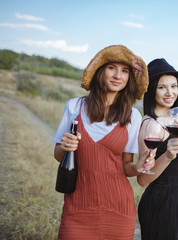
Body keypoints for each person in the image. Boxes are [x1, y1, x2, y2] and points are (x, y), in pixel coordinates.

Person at [53, 45, 154, 240]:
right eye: (112, 68)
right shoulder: (74, 106)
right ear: (100, 71)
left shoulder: (133, 116)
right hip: (78, 206)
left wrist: (140, 166)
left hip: (118, 208)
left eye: (125, 71)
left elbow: (127, 166)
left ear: (129, 79)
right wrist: (63, 148)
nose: (118, 75)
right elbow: (58, 155)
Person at [137, 58, 178, 240]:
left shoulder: (176, 119)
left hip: (176, 198)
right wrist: (168, 155)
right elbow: (142, 179)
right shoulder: (150, 125)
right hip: (160, 200)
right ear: (151, 90)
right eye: (162, 87)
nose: (170, 92)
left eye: (174, 86)